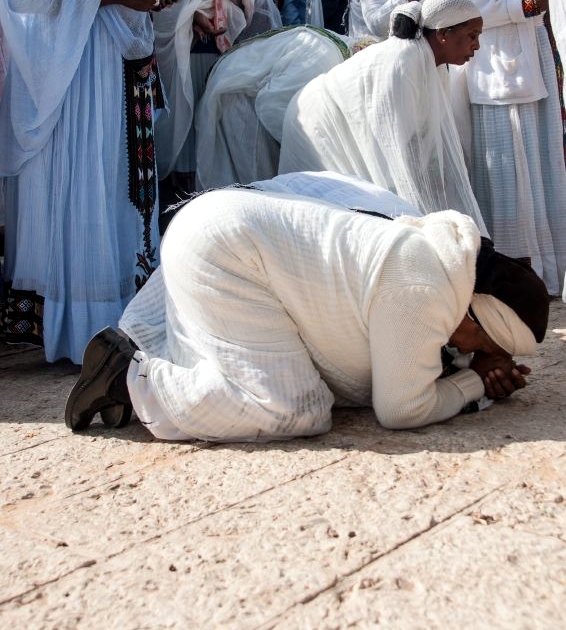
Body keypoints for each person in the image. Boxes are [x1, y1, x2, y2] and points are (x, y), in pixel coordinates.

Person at [65, 171, 549, 440]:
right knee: (293, 410)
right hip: (226, 251)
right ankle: (129, 378)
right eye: (483, 340)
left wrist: (475, 364)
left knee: (273, 382)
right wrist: (471, 381)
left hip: (226, 234)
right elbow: (402, 408)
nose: (476, 350)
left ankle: (131, 372)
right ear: (470, 310)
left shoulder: (444, 259)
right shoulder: (425, 287)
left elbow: (405, 347)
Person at [0, 0, 171, 363]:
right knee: (67, 185)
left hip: (100, 70)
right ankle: (62, 327)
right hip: (60, 77)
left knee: (98, 183)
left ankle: (100, 326)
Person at [449, 0, 566, 297]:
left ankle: (547, 274)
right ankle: (517, 281)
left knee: (539, 171)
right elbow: (468, 6)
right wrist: (530, 7)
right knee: (509, 179)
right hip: (500, 76)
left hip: (529, 66)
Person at [279, 0, 487, 233]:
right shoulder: (403, 63)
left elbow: (424, 146)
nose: (477, 46)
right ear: (442, 34)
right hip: (314, 123)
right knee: (340, 217)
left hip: (338, 124)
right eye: (472, 36)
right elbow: (390, 154)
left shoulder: (434, 67)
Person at [142, 0, 255, 206]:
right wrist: (189, 18)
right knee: (181, 122)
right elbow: (155, 4)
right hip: (178, 52)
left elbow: (242, 1)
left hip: (217, 50)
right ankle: (175, 199)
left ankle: (206, 196)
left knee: (209, 123)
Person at [195, 25, 351, 189]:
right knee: (254, 189)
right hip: (239, 99)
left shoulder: (336, 48)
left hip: (244, 92)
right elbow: (271, 106)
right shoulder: (326, 58)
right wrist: (313, 151)